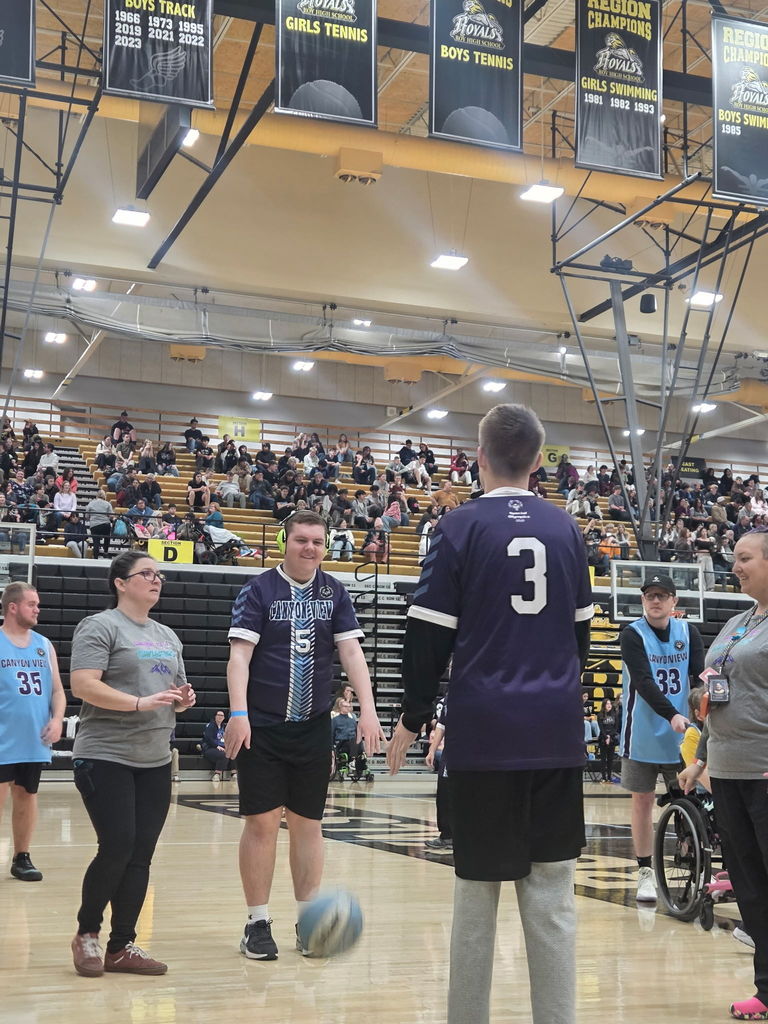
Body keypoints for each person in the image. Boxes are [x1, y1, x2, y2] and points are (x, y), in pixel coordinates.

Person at [387, 403, 593, 1024]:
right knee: (553, 898)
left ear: (478, 457)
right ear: (538, 460)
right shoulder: (568, 531)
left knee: (476, 896)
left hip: (483, 736)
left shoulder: (457, 528)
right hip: (555, 735)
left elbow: (426, 636)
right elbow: (581, 639)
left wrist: (412, 715)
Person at [223, 510, 384, 961]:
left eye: (317, 540)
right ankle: (257, 922)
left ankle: (309, 920)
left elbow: (351, 651)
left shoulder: (334, 591)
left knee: (309, 825)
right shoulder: (258, 590)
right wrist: (239, 713)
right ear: (283, 541)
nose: (309, 548)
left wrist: (368, 710)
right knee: (261, 823)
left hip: (313, 728)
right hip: (263, 725)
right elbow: (239, 658)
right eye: (300, 540)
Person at [68, 552, 196, 978]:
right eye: (146, 574)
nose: (155, 580)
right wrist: (139, 702)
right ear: (121, 583)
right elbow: (84, 684)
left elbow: (172, 693)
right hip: (105, 753)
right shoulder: (100, 626)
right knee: (118, 845)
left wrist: (182, 700)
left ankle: (121, 946)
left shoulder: (168, 636)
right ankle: (88, 934)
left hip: (155, 757)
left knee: (141, 853)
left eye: (158, 575)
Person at [679, 528, 768, 1020]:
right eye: (734, 558)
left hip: (764, 769)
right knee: (751, 886)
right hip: (729, 771)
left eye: (744, 557)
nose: (735, 566)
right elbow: (715, 699)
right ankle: (767, 988)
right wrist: (702, 758)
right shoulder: (737, 622)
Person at [619, 573, 704, 901]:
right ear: (643, 600)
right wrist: (672, 714)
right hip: (641, 730)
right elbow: (643, 681)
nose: (655, 601)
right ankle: (644, 870)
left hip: (682, 732)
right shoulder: (632, 634)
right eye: (650, 595)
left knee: (687, 796)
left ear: (674, 601)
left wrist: (703, 707)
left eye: (662, 595)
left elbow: (697, 677)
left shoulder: (689, 632)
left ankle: (689, 855)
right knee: (641, 800)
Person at [0, 583, 65, 882]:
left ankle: (21, 857)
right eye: (31, 604)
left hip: (33, 736)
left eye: (38, 603)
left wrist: (58, 719)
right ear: (13, 607)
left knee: (26, 795)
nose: (38, 609)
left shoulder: (43, 644)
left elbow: (57, 691)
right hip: (3, 736)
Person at [424, 698, 452, 853]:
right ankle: (447, 835)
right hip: (451, 751)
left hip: (473, 751)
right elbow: (442, 725)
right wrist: (432, 750)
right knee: (444, 793)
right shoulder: (449, 698)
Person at [202, 710, 235, 782]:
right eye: (219, 715)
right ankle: (217, 774)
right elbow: (208, 738)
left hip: (222, 747)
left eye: (222, 715)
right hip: (210, 748)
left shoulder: (224, 726)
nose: (220, 717)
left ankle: (234, 774)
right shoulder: (211, 725)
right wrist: (217, 746)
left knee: (233, 753)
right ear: (215, 716)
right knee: (224, 755)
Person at [597, 698, 619, 783]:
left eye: (610, 703)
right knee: (603, 759)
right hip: (603, 738)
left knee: (610, 759)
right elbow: (601, 728)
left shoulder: (615, 715)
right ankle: (603, 777)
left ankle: (609, 777)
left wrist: (610, 736)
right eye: (607, 704)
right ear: (604, 705)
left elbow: (616, 727)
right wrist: (606, 737)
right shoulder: (600, 715)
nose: (609, 705)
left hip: (612, 739)